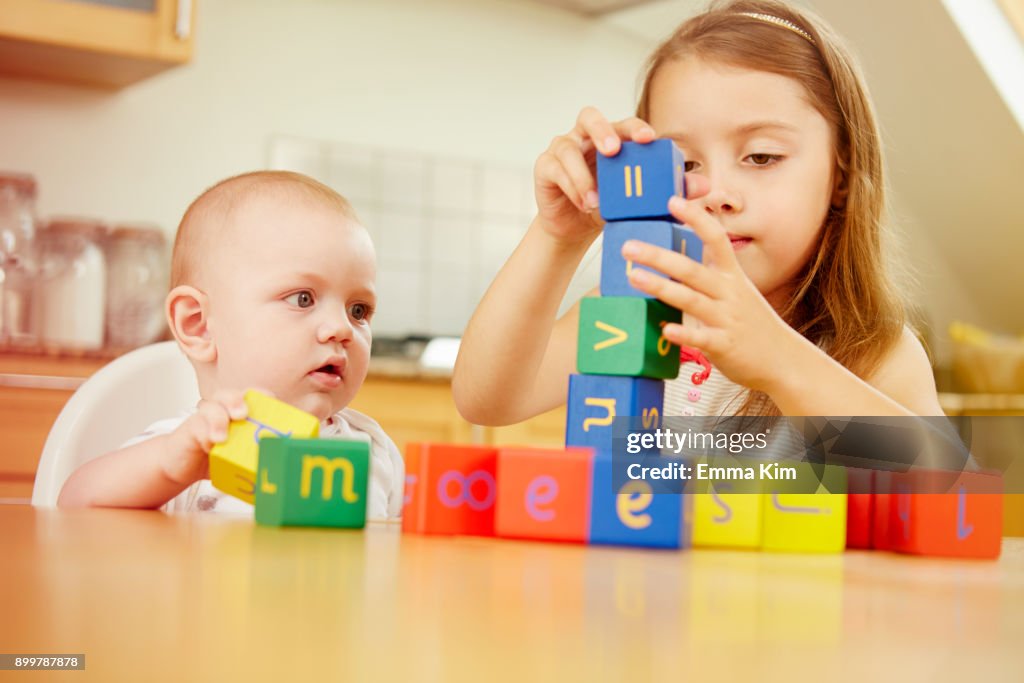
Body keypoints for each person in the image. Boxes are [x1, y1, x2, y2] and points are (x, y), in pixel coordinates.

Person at [453, 0, 945, 430]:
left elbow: (948, 491)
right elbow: (485, 401)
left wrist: (779, 359)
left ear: (841, 174)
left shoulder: (876, 351)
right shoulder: (639, 313)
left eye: (762, 156)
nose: (715, 194)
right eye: (684, 164)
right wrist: (558, 235)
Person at [59, 171, 404, 519]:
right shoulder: (193, 446)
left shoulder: (375, 451)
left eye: (358, 310)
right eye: (302, 299)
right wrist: (168, 467)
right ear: (198, 325)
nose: (341, 328)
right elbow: (73, 506)